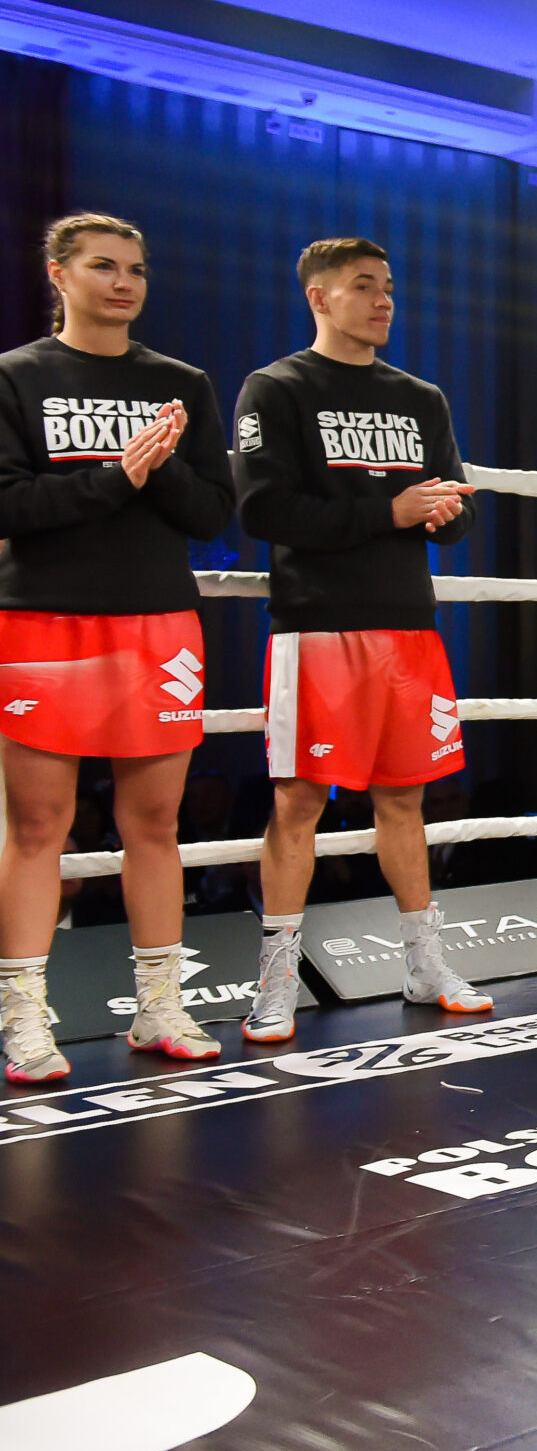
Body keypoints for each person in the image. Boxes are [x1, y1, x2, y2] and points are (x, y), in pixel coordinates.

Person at [0, 214, 236, 1084]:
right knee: (38, 827)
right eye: (103, 266)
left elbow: (213, 512)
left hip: (156, 623)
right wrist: (117, 476)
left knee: (155, 825)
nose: (124, 282)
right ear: (58, 273)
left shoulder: (180, 384)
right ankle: (23, 1016)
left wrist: (159, 465)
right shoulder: (16, 377)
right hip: (44, 622)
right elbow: (7, 505)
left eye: (136, 268)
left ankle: (160, 1006)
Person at [233, 237, 487, 1041]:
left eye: (388, 287)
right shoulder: (276, 388)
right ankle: (276, 984)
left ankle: (425, 965)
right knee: (299, 800)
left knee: (405, 799)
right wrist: (389, 511)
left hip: (406, 624)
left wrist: (445, 513)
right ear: (319, 297)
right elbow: (263, 509)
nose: (383, 301)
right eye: (364, 286)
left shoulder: (420, 397)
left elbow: (458, 505)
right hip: (318, 625)